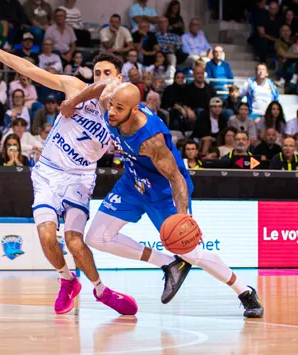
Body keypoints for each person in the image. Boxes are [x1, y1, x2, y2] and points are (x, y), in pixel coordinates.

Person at [0, 27, 151, 315]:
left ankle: (101, 290)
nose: (100, 79)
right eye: (96, 73)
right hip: (48, 171)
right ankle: (67, 280)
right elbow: (27, 67)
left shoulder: (123, 116)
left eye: (107, 74)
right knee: (47, 236)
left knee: (75, 241)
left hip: (80, 177)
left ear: (120, 79)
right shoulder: (75, 87)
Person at [60, 81, 264, 319]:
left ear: (134, 110)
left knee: (191, 252)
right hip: (133, 183)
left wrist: (183, 217)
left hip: (163, 191)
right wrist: (72, 102)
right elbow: (101, 86)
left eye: (119, 108)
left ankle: (244, 292)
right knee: (96, 237)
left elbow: (177, 179)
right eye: (112, 106)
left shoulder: (151, 141)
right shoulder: (111, 105)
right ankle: (168, 264)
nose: (112, 112)